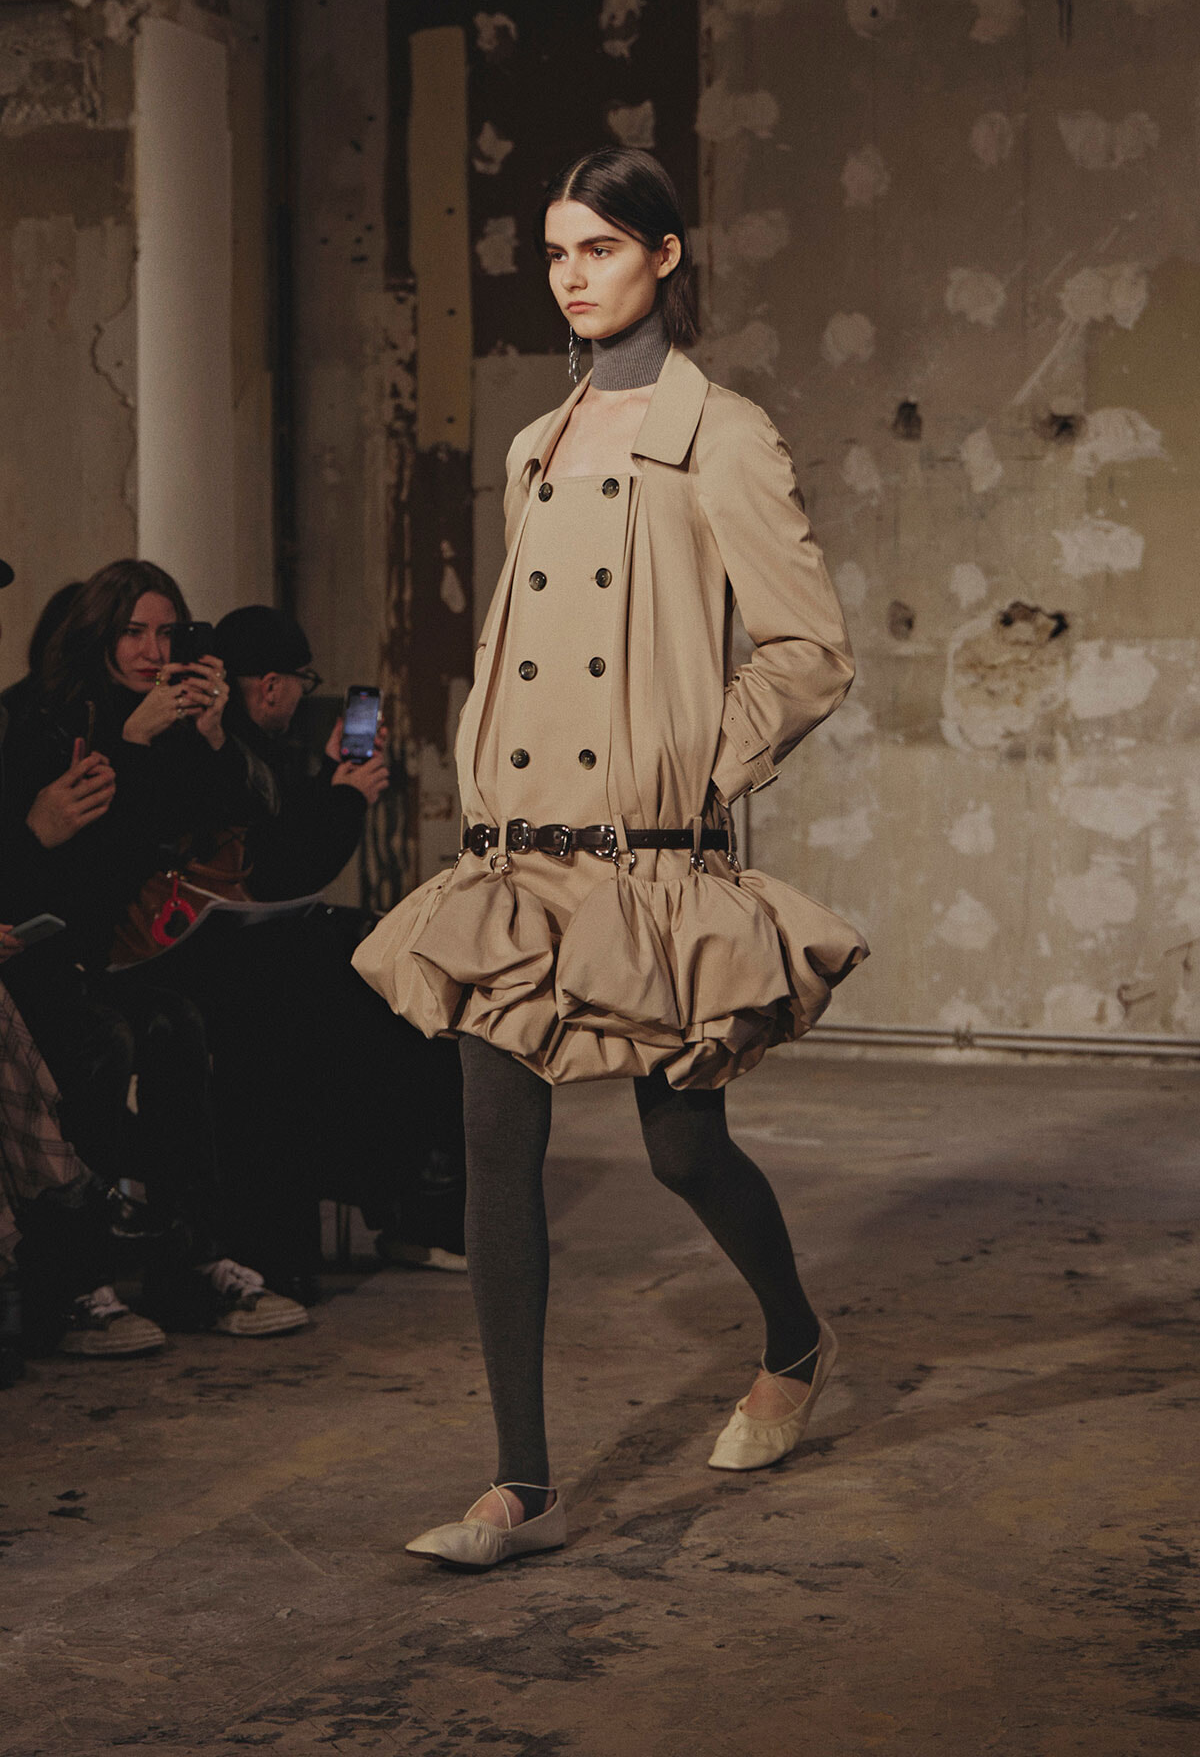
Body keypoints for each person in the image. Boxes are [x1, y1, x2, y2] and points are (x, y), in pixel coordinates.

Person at [354, 148, 868, 1568]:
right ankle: (524, 1487)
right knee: (493, 1153)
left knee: (681, 1149)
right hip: (516, 857)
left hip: (645, 863)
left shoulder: (725, 436)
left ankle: (796, 1338)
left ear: (666, 255)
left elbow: (811, 650)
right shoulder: (538, 441)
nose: (574, 274)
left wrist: (698, 762)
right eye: (556, 252)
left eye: (599, 247)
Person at [0, 562, 309, 1338]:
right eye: (134, 631)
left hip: (101, 953)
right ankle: (75, 1282)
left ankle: (190, 1260)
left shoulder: (161, 720)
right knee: (108, 1038)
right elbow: (71, 868)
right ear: (100, 633)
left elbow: (239, 814)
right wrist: (122, 758)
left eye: (166, 631)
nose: (151, 648)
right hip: (37, 956)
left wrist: (210, 735)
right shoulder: (47, 720)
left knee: (184, 1023)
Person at [213, 605, 467, 1278]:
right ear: (270, 685)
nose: (301, 693)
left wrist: (332, 779)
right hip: (237, 960)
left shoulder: (248, 744)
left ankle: (409, 1203)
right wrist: (347, 798)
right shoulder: (221, 748)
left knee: (401, 978)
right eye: (301, 679)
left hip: (262, 948)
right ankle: (416, 1207)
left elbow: (280, 828)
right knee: (400, 1002)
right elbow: (281, 864)